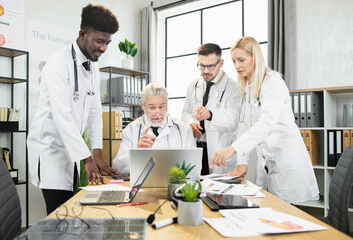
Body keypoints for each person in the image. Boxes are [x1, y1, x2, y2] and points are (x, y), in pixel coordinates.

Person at [27, 4, 119, 214]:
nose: (104, 48)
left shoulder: (92, 67)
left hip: (73, 150)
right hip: (51, 150)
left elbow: (95, 111)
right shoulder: (58, 63)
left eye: (107, 42)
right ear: (82, 34)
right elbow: (62, 116)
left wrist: (97, 153)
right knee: (58, 212)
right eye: (99, 41)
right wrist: (87, 158)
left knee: (71, 211)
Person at [210, 36, 319, 204]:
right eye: (233, 61)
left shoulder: (273, 82)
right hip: (267, 164)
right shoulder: (248, 86)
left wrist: (232, 149)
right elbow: (244, 126)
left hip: (285, 162)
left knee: (284, 218)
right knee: (267, 213)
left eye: (241, 60)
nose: (237, 66)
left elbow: (266, 123)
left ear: (255, 57)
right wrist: (242, 162)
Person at [181, 43, 241, 175]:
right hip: (196, 148)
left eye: (211, 66)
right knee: (195, 190)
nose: (206, 71)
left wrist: (210, 116)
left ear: (221, 63)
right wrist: (191, 123)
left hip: (218, 151)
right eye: (202, 66)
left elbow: (233, 120)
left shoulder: (233, 88)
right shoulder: (194, 86)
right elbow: (185, 113)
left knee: (218, 193)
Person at [113, 83, 196, 175]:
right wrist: (138, 152)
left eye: (161, 107)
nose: (157, 113)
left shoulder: (184, 129)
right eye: (152, 108)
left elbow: (194, 166)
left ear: (167, 105)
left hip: (175, 184)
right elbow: (118, 167)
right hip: (143, 185)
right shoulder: (131, 129)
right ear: (143, 106)